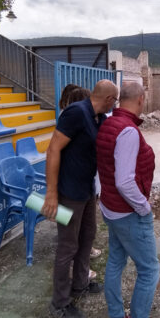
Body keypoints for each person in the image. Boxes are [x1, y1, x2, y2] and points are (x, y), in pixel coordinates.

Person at [96, 82, 160, 318]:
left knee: (116, 259)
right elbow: (125, 181)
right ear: (140, 99)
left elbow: (106, 169)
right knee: (150, 271)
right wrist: (144, 207)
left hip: (110, 209)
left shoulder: (109, 123)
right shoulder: (128, 130)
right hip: (127, 212)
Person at [43, 79, 118, 318]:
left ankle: (80, 283)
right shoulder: (76, 113)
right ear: (108, 99)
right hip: (68, 192)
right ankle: (60, 302)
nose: (114, 104)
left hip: (86, 191)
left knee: (87, 237)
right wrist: (51, 194)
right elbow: (53, 149)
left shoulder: (99, 119)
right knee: (68, 246)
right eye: (114, 100)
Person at [58, 84, 103, 270]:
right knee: (70, 237)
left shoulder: (83, 120)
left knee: (83, 230)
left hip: (81, 185)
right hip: (71, 188)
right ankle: (71, 272)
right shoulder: (71, 120)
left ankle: (81, 268)